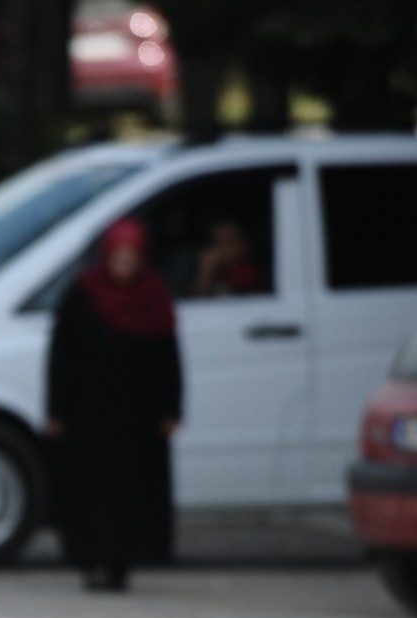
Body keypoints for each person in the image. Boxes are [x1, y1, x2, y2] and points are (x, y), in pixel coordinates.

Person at [44, 217, 182, 592]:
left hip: (139, 418)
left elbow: (169, 357)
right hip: (88, 415)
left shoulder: (154, 296)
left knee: (132, 493)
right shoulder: (84, 293)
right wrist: (56, 410)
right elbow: (61, 355)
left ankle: (123, 563)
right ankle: (91, 561)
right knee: (91, 491)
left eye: (132, 259)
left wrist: (172, 409)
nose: (125, 267)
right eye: (119, 259)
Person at [192, 218, 266, 297]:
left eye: (229, 243)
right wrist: (207, 270)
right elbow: (198, 302)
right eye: (219, 244)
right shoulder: (216, 271)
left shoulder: (247, 272)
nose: (223, 250)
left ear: (244, 244)